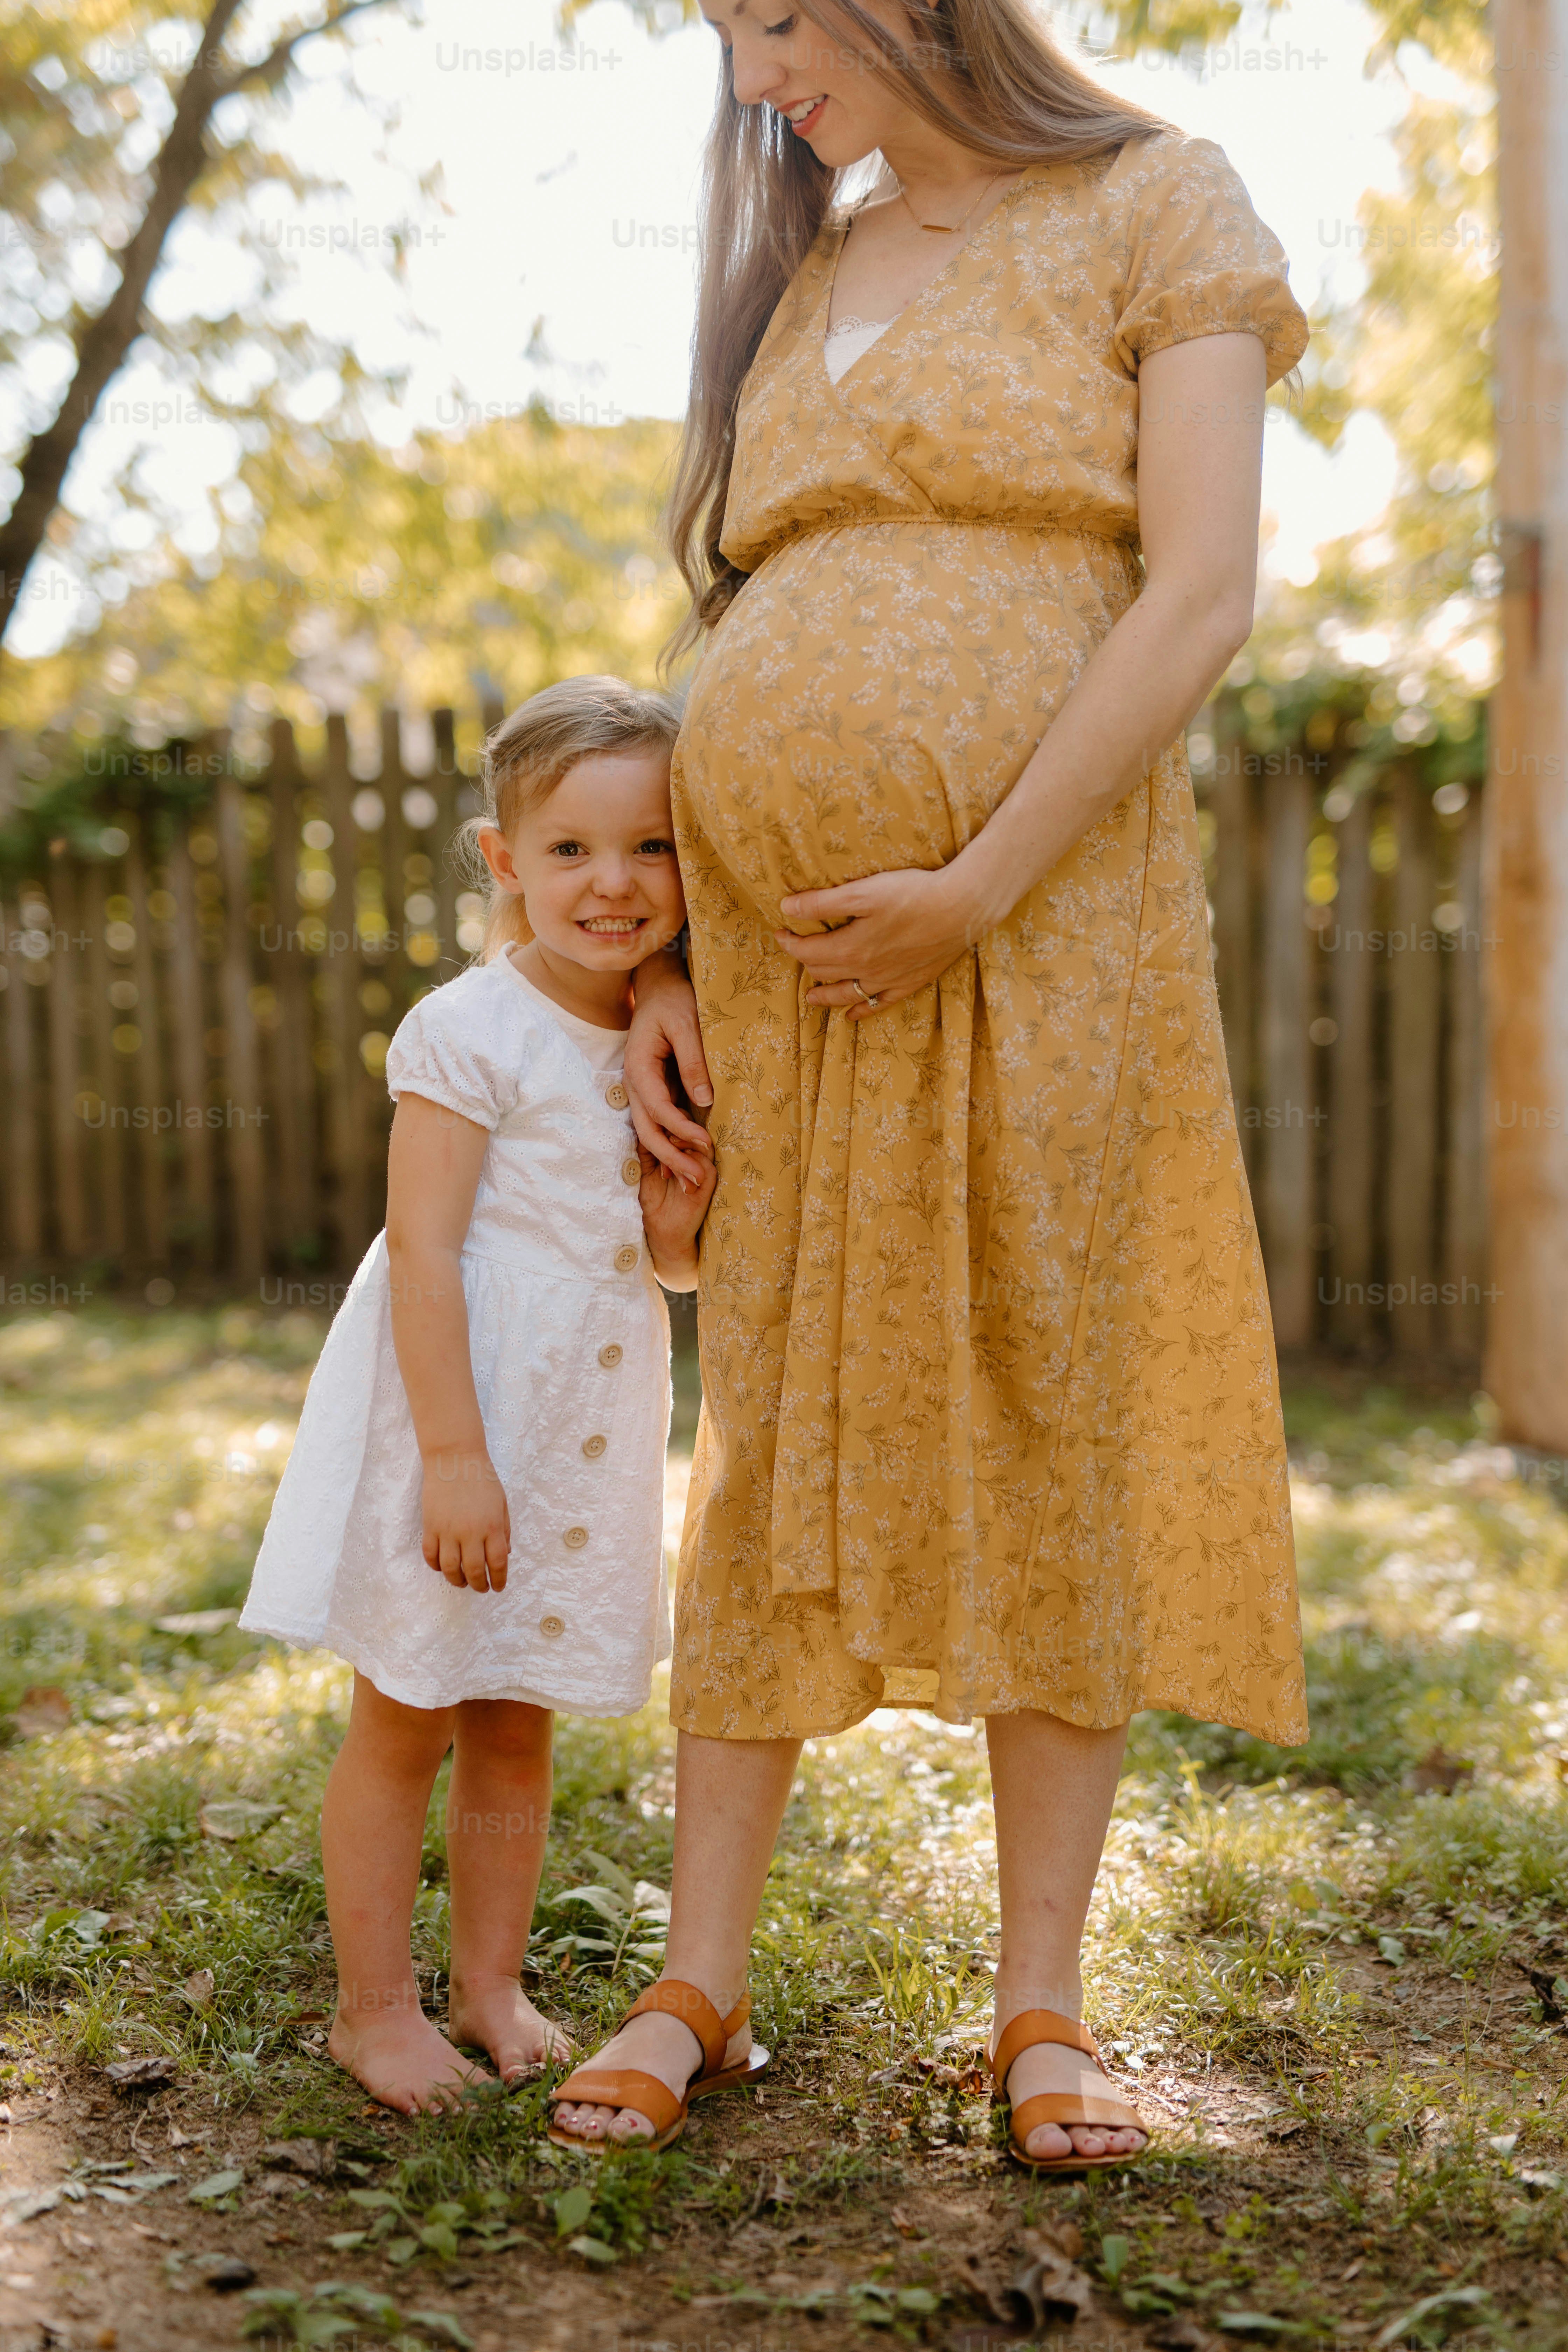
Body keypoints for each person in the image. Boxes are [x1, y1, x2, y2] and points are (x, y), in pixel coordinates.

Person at [550, 0, 1313, 2171]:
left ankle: (1044, 2002)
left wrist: (975, 880)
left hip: (1045, 909)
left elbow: (1199, 593)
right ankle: (703, 1972)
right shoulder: (808, 259)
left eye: (777, 16)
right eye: (719, 29)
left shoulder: (1159, 204)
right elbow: (759, 609)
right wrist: (680, 948)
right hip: (785, 973)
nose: (749, 68)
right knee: (774, 1393)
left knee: (1043, 1376)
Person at [239, 677, 715, 2115]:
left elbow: (669, 1270)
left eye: (650, 847)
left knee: (516, 1716)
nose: (613, 883)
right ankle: (373, 2009)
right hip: (464, 1408)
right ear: (506, 861)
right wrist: (453, 1456)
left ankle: (492, 1986)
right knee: (410, 1709)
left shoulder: (668, 1028)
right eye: (570, 849)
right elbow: (427, 1252)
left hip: (586, 1413)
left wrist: (680, 1213)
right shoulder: (467, 1029)